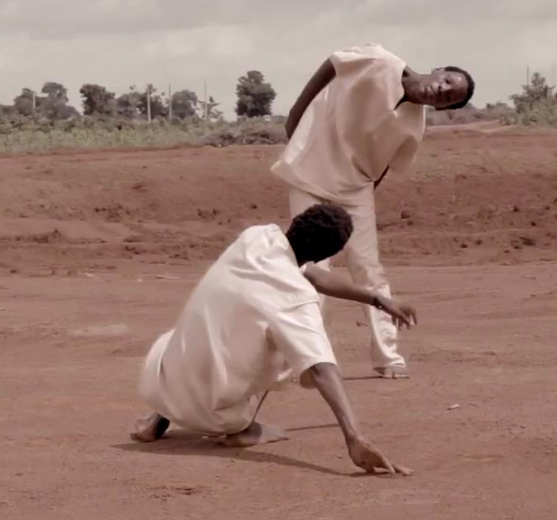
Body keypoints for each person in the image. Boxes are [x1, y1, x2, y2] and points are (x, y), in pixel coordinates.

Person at [130, 203, 415, 475]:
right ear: (326, 254)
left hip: (160, 382)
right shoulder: (295, 299)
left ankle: (159, 418)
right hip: (213, 418)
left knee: (205, 327)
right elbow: (321, 368)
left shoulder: (256, 237)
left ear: (296, 223)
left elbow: (309, 273)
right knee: (285, 346)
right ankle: (242, 429)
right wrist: (355, 437)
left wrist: (377, 298)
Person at [271, 44, 473, 380]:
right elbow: (333, 64)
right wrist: (296, 112)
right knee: (311, 269)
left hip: (355, 190)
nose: (443, 91)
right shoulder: (380, 61)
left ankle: (388, 356)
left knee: (368, 269)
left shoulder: (413, 127)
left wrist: (359, 201)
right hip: (311, 173)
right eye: (448, 81)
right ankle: (310, 357)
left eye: (450, 97)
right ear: (439, 70)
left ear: (445, 108)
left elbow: (384, 166)